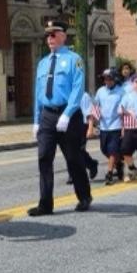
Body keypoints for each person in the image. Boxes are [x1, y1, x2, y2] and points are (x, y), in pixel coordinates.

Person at [28, 20, 92, 216]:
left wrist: (67, 113)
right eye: (48, 35)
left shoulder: (74, 60)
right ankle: (45, 204)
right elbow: (38, 92)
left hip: (68, 115)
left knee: (73, 158)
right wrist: (37, 120)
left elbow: (77, 89)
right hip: (47, 114)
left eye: (54, 34)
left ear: (64, 36)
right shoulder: (43, 63)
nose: (50, 39)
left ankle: (84, 196)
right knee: (44, 158)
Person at [92, 68, 125, 185]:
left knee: (112, 151)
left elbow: (124, 109)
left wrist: (123, 127)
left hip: (116, 125)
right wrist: (95, 120)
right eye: (105, 79)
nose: (107, 81)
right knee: (104, 149)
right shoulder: (100, 91)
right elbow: (96, 106)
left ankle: (109, 174)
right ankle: (119, 164)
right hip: (104, 126)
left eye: (110, 79)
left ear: (115, 79)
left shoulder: (121, 92)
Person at [66, 91, 100, 184]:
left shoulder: (83, 95)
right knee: (69, 150)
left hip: (81, 126)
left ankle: (91, 165)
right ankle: (73, 174)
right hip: (68, 125)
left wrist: (90, 128)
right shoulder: (64, 93)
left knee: (79, 151)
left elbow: (89, 114)